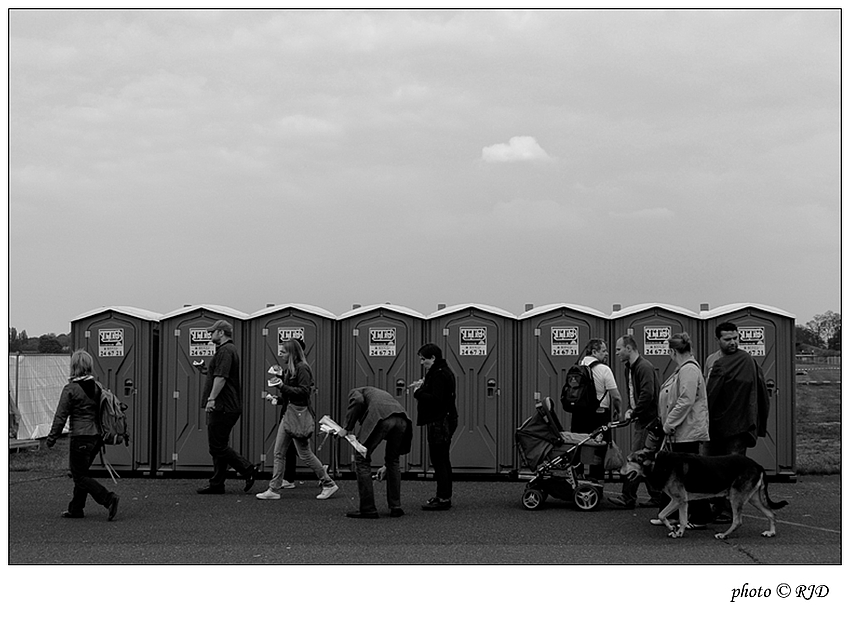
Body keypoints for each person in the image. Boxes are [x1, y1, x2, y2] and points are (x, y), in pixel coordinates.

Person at [256, 338, 339, 500]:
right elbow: (291, 395)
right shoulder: (291, 369)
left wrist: (281, 386)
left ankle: (328, 483)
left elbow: (303, 392)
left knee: (304, 453)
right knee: (279, 452)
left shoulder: (302, 369)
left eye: (284, 351)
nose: (281, 354)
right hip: (290, 414)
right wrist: (276, 398)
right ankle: (273, 489)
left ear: (292, 353)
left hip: (297, 416)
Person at [704, 321, 770, 522]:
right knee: (711, 467)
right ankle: (716, 506)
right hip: (713, 424)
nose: (732, 342)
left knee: (733, 470)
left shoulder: (748, 361)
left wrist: (757, 422)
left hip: (739, 425)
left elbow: (759, 392)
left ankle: (729, 511)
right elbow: (709, 392)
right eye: (727, 339)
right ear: (718, 340)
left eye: (735, 338)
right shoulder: (712, 361)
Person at [45, 349, 120, 520]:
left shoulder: (71, 389)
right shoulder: (98, 387)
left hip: (80, 437)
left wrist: (52, 438)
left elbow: (60, 416)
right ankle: (76, 509)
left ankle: (108, 498)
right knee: (82, 473)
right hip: (96, 437)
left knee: (79, 475)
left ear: (74, 366)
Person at [652, 332, 712, 527]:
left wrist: (669, 424)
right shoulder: (684, 369)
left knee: (690, 476)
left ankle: (700, 516)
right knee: (680, 476)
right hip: (682, 431)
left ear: (672, 351)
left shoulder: (688, 370)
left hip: (686, 432)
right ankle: (674, 515)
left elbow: (685, 400)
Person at [196, 319, 257, 494]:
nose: (210, 334)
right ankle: (217, 484)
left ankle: (247, 469)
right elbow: (220, 373)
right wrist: (205, 370)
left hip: (224, 406)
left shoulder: (225, 351)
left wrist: (211, 399)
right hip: (227, 405)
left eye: (212, 332)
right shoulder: (228, 350)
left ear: (221, 333)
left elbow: (221, 377)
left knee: (217, 446)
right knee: (219, 444)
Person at [337, 386, 413, 518]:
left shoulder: (355, 392)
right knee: (393, 460)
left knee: (362, 458)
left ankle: (368, 509)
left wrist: (347, 428)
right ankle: (396, 507)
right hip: (402, 419)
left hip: (381, 417)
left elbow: (358, 401)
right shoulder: (377, 393)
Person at [609, 334, 663, 509]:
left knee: (635, 457)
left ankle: (628, 497)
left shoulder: (644, 367)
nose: (616, 353)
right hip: (642, 418)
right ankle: (656, 496)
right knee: (645, 458)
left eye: (619, 349)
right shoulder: (629, 368)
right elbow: (634, 393)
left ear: (629, 349)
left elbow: (648, 394)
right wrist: (631, 409)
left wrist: (634, 413)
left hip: (648, 420)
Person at [411, 343, 459, 511]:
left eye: (423, 359)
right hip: (445, 420)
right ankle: (443, 495)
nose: (421, 362)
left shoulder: (439, 374)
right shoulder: (442, 371)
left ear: (433, 358)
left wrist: (418, 392)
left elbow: (436, 399)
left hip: (440, 422)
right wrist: (424, 384)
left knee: (439, 460)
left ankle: (443, 498)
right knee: (442, 459)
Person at [571, 338, 621, 481]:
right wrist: (619, 410)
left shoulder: (577, 367)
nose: (606, 354)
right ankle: (596, 482)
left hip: (579, 415)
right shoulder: (604, 369)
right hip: (599, 415)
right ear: (594, 352)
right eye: (603, 351)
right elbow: (616, 396)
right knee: (599, 448)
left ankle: (576, 480)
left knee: (578, 445)